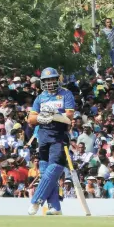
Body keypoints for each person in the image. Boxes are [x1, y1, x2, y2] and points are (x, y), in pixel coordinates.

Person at [27, 68, 74, 216]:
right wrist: (42, 118)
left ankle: (36, 200)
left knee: (53, 170)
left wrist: (54, 116)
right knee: (45, 172)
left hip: (59, 137)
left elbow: (69, 116)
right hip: (43, 137)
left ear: (57, 80)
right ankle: (55, 207)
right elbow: (30, 119)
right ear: (42, 82)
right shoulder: (40, 98)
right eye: (46, 80)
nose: (49, 82)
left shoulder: (66, 94)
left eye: (52, 79)